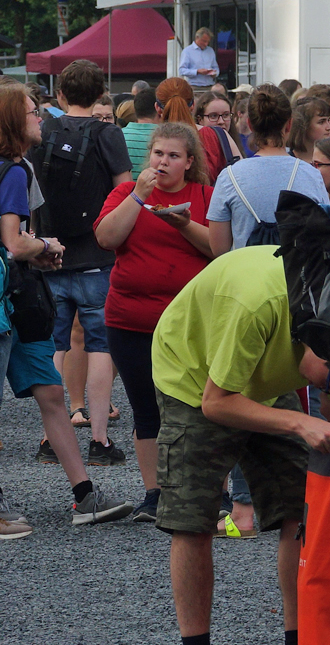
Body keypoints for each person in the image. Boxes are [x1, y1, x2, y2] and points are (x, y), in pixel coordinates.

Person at [152, 247, 330, 645]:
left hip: (262, 376)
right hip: (195, 377)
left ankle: (301, 637)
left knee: (305, 508)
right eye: (325, 386)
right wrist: (300, 421)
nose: (324, 394)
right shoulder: (257, 305)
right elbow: (216, 402)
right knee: (193, 520)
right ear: (320, 347)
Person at [0, 83, 132, 542]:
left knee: (48, 392)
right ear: (13, 121)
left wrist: (35, 252)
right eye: (32, 112)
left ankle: (83, 495)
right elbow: (14, 241)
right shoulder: (12, 172)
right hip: (0, 302)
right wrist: (46, 246)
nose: (40, 118)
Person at [92, 122, 215, 524]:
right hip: (131, 319)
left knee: (202, 406)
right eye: (159, 154)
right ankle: (154, 494)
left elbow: (219, 248)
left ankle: (210, 491)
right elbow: (107, 238)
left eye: (174, 156)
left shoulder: (204, 196)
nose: (164, 162)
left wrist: (184, 224)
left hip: (190, 323)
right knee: (146, 410)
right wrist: (139, 197)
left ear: (189, 162)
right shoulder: (126, 193)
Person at [31, 60, 134, 466]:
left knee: (55, 347)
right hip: (97, 255)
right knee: (100, 346)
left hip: (51, 252)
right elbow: (123, 191)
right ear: (100, 95)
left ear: (59, 95)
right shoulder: (109, 133)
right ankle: (99, 438)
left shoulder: (44, 131)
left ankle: (48, 437)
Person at [206, 86, 330, 257]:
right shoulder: (311, 174)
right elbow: (324, 234)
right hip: (293, 279)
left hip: (246, 277)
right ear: (289, 124)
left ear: (250, 124)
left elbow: (219, 249)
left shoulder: (229, 177)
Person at [196, 91, 244, 173]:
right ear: (200, 120)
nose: (221, 121)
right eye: (213, 116)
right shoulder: (196, 151)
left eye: (226, 115)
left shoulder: (238, 142)